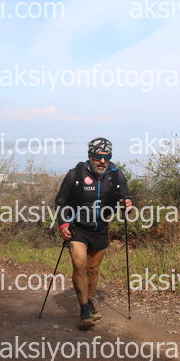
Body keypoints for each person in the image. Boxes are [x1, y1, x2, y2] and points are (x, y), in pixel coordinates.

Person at [54, 137, 133, 330]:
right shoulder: (75, 174)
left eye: (107, 157)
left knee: (93, 269)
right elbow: (60, 202)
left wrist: (127, 205)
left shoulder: (116, 175)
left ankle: (89, 302)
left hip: (100, 228)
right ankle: (83, 310)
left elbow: (125, 198)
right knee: (79, 264)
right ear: (90, 156)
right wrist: (63, 224)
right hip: (78, 228)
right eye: (98, 156)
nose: (102, 161)